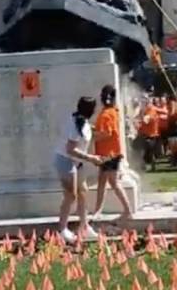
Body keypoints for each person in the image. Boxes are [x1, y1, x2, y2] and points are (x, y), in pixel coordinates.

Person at [55, 96, 104, 243]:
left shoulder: (82, 121)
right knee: (71, 195)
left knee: (83, 192)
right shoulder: (76, 125)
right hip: (66, 160)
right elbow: (70, 149)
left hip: (77, 162)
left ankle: (84, 226)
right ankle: (62, 229)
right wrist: (91, 158)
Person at [90, 85, 134, 221]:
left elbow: (106, 133)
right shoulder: (113, 111)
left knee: (114, 183)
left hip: (109, 153)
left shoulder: (106, 114)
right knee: (102, 182)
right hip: (108, 153)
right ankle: (98, 210)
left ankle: (127, 210)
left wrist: (92, 135)